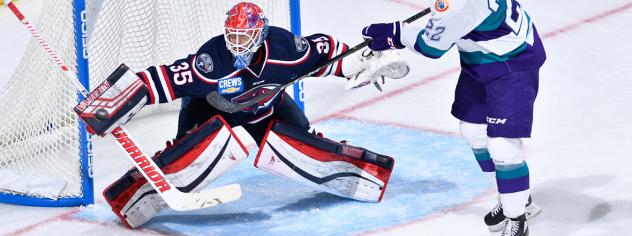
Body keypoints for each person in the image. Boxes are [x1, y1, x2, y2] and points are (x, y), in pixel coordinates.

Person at [75, 2, 409, 228]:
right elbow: (161, 79)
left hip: (267, 111)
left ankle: (351, 166)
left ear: (261, 33)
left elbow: (328, 53)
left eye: (244, 36)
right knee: (196, 150)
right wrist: (113, 103)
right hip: (211, 113)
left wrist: (359, 64)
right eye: (232, 35)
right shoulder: (212, 60)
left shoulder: (284, 49)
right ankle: (149, 182)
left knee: (299, 141)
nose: (236, 43)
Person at [361, 0, 545, 235]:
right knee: (472, 130)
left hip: (512, 64)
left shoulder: (460, 4)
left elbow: (431, 47)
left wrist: (395, 34)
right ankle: (514, 196)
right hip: (480, 57)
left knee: (502, 147)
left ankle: (517, 217)